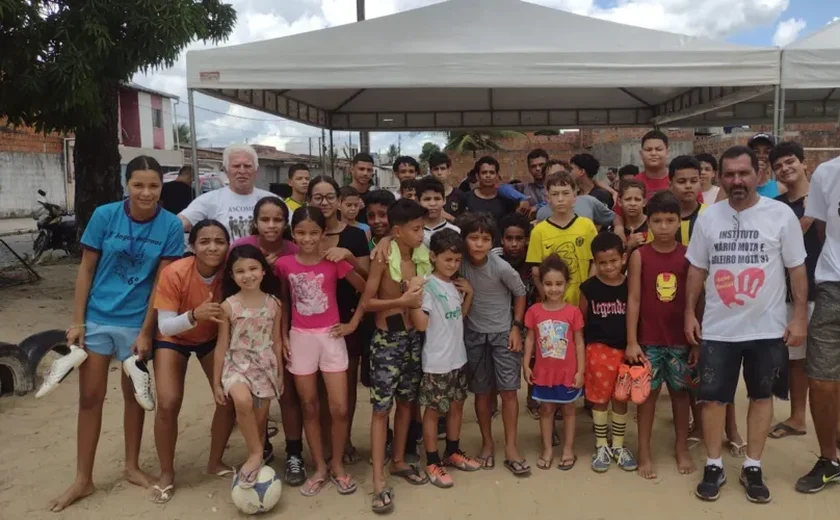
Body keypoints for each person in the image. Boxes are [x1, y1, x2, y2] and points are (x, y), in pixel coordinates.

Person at [50, 156, 184, 512]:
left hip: (136, 325)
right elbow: (86, 270)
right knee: (90, 398)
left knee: (134, 398)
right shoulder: (105, 216)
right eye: (138, 185)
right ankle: (83, 478)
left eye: (153, 186)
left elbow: (162, 282)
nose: (146, 192)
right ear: (127, 184)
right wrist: (78, 322)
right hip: (97, 319)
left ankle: (132, 466)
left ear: (161, 188)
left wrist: (145, 331)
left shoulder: (170, 226)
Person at [685, 146, 807, 503]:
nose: (737, 181)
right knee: (711, 399)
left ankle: (753, 465)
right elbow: (696, 269)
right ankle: (713, 464)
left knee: (761, 395)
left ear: (758, 174)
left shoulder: (780, 215)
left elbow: (796, 269)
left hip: (767, 329)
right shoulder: (708, 217)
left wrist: (798, 316)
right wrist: (689, 313)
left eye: (744, 173)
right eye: (729, 174)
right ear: (720, 177)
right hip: (718, 329)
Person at [277, 207, 366, 497]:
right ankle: (319, 467)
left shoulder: (333, 262)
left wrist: (352, 323)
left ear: (323, 234)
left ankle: (337, 464)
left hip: (331, 337)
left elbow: (364, 288)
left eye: (313, 232)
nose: (307, 238)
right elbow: (284, 303)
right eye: (301, 233)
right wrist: (283, 336)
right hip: (300, 338)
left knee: (339, 407)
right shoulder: (284, 264)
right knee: (309, 405)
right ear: (293, 234)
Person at [151, 220, 236, 503]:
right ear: (192, 246)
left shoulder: (232, 271)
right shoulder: (174, 272)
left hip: (212, 338)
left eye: (219, 241)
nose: (212, 247)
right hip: (174, 337)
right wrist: (193, 316)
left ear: (228, 245)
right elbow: (165, 327)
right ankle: (166, 473)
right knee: (168, 401)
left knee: (229, 396)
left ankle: (214, 462)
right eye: (204, 241)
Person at [358, 198, 431, 513]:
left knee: (406, 403)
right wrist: (401, 301)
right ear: (399, 231)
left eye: (423, 228)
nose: (421, 234)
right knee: (380, 410)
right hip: (387, 341)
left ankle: (399, 459)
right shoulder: (383, 258)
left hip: (413, 339)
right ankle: (377, 479)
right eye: (416, 229)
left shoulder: (420, 257)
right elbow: (367, 302)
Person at [230, 196, 304, 484]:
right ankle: (259, 450)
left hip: (285, 329)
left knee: (287, 394)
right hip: (249, 336)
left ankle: (295, 453)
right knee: (256, 397)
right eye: (265, 219)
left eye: (277, 220)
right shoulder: (241, 249)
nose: (271, 225)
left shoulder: (294, 249)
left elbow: (289, 298)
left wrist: (284, 334)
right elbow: (229, 291)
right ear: (255, 221)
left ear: (285, 223)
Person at [626, 190, 695, 480]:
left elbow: (696, 301)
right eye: (657, 221)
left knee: (681, 397)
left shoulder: (689, 257)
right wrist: (632, 341)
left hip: (681, 340)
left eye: (670, 220)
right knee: (647, 398)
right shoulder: (640, 256)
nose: (664, 227)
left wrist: (695, 342)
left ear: (680, 221)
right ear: (648, 223)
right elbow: (634, 300)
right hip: (648, 342)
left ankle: (681, 448)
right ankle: (644, 451)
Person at [459, 213, 529, 477]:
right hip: (473, 336)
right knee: (482, 393)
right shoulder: (459, 265)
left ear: (493, 242)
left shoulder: (501, 267)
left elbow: (520, 293)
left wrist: (516, 327)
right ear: (464, 240)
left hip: (503, 335)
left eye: (485, 239)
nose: (479, 244)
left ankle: (511, 447)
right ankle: (487, 443)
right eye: (473, 238)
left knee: (509, 392)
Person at [410, 229, 481, 488]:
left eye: (456, 260)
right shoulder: (427, 285)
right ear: (433, 257)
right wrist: (413, 296)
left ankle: (452, 451)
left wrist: (469, 295)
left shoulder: (455, 285)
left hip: (457, 358)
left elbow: (457, 318)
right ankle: (431, 460)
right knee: (432, 412)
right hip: (436, 362)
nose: (453, 265)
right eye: (447, 259)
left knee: (457, 406)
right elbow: (421, 325)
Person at [307, 176, 371, 465]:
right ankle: (324, 444)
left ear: (339, 199)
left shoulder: (356, 236)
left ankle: (343, 441)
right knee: (318, 388)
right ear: (309, 201)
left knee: (345, 386)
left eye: (330, 196)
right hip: (310, 321)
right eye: (318, 197)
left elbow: (369, 280)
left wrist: (348, 257)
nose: (324, 203)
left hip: (346, 319)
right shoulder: (303, 234)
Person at [213, 245, 284, 489]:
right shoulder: (228, 306)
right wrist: (216, 383)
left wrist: (280, 374)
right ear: (232, 276)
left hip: (265, 366)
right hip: (236, 365)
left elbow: (277, 341)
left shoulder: (274, 304)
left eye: (253, 268)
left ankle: (257, 458)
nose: (248, 275)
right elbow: (222, 345)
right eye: (240, 271)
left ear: (264, 271)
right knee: (242, 401)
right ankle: (255, 455)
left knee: (260, 418)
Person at [767, 142, 820, 441]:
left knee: (829, 361)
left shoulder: (828, 197)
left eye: (790, 162)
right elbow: (778, 247)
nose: (786, 169)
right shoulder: (777, 207)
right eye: (779, 166)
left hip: (828, 289)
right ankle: (798, 417)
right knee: (796, 360)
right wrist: (808, 218)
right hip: (793, 293)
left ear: (803, 162)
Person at [796, 153, 840, 493]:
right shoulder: (827, 172)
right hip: (833, 287)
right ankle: (829, 459)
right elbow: (824, 230)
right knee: (821, 379)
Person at [579, 232, 637, 473]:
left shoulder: (631, 286)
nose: (608, 266)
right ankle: (602, 444)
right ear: (595, 262)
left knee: (621, 398)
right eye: (602, 262)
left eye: (613, 261)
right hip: (597, 350)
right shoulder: (588, 288)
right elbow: (580, 321)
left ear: (623, 258)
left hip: (625, 351)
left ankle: (619, 445)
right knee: (599, 399)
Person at [524, 254, 585, 471]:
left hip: (567, 373)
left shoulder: (573, 312)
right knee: (546, 410)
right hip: (544, 373)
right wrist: (525, 364)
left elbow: (579, 343)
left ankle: (568, 449)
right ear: (541, 284)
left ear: (567, 284)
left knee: (569, 411)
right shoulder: (534, 312)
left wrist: (581, 371)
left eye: (559, 284)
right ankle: (547, 449)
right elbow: (530, 339)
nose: (554, 288)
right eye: (548, 284)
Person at [178, 144, 278, 241]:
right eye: (236, 166)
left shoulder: (273, 201)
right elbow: (176, 226)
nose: (242, 171)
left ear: (256, 170)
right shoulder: (208, 200)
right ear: (226, 170)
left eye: (247, 166)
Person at [527, 171, 597, 306]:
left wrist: (587, 294)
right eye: (555, 194)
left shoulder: (587, 226)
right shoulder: (539, 231)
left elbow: (594, 262)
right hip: (554, 303)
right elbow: (536, 271)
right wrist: (548, 300)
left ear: (575, 196)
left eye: (565, 193)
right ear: (547, 198)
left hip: (583, 301)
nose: (560, 199)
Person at [497, 213, 538, 418]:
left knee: (535, 361)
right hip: (503, 321)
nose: (514, 244)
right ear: (502, 239)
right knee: (501, 362)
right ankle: (495, 403)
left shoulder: (534, 260)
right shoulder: (494, 259)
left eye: (519, 239)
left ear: (527, 239)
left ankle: (534, 400)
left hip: (532, 319)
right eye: (509, 239)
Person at [534, 161, 614, 227]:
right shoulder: (542, 213)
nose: (557, 180)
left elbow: (613, 218)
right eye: (552, 177)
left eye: (561, 175)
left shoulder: (589, 202)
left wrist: (619, 228)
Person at [463, 156, 521, 227]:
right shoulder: (466, 198)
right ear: (477, 176)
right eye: (484, 173)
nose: (488, 176)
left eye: (492, 172)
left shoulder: (506, 200)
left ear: (497, 175)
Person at [668, 156, 705, 246]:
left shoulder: (708, 214)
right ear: (670, 185)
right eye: (681, 181)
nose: (688, 186)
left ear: (700, 182)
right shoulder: (661, 216)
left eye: (693, 181)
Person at [417, 177, 460, 248]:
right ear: (418, 201)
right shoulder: (412, 233)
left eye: (437, 198)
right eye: (427, 199)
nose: (432, 203)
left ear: (444, 200)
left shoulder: (456, 231)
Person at [428, 151, 464, 222]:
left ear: (449, 170)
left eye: (443, 168)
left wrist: (449, 217)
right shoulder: (425, 196)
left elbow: (465, 224)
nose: (439, 173)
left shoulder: (460, 195)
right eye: (436, 169)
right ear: (431, 171)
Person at [748, 133, 784, 198]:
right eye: (756, 152)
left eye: (767, 152)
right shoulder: (740, 186)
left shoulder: (781, 188)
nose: (761, 156)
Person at [619, 178, 651, 252]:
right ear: (619, 202)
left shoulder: (653, 224)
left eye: (637, 199)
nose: (632, 203)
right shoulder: (615, 229)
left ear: (644, 202)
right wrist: (629, 246)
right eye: (628, 199)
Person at [349, 152, 376, 225]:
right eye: (361, 169)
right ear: (352, 169)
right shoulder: (341, 194)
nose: (365, 173)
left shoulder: (374, 197)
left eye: (369, 170)